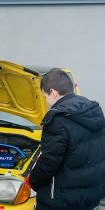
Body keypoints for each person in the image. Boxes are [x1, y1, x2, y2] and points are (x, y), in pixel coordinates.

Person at [28, 68, 105, 210]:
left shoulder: (58, 120)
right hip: (91, 196)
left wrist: (31, 182)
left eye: (45, 97)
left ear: (53, 92)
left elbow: (49, 162)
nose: (47, 102)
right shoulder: (92, 112)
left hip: (62, 200)